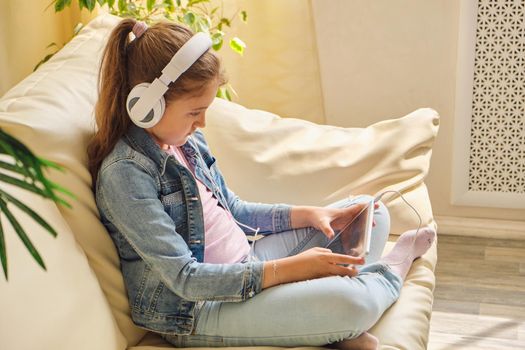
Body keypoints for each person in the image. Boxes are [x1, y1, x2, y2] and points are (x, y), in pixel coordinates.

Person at [88, 18, 436, 350]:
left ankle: (320, 323)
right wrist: (290, 270)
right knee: (353, 302)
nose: (203, 122)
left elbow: (236, 210)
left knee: (369, 211)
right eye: (195, 112)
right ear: (146, 106)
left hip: (249, 259)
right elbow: (185, 278)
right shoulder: (126, 175)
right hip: (198, 309)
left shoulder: (184, 142)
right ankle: (390, 272)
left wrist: (310, 214)